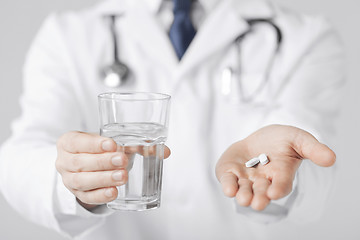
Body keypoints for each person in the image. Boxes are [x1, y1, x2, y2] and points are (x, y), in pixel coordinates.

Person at [0, 0, 345, 239]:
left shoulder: (305, 38)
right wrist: (71, 177)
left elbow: (313, 168)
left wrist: (285, 173)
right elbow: (19, 155)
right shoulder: (69, 35)